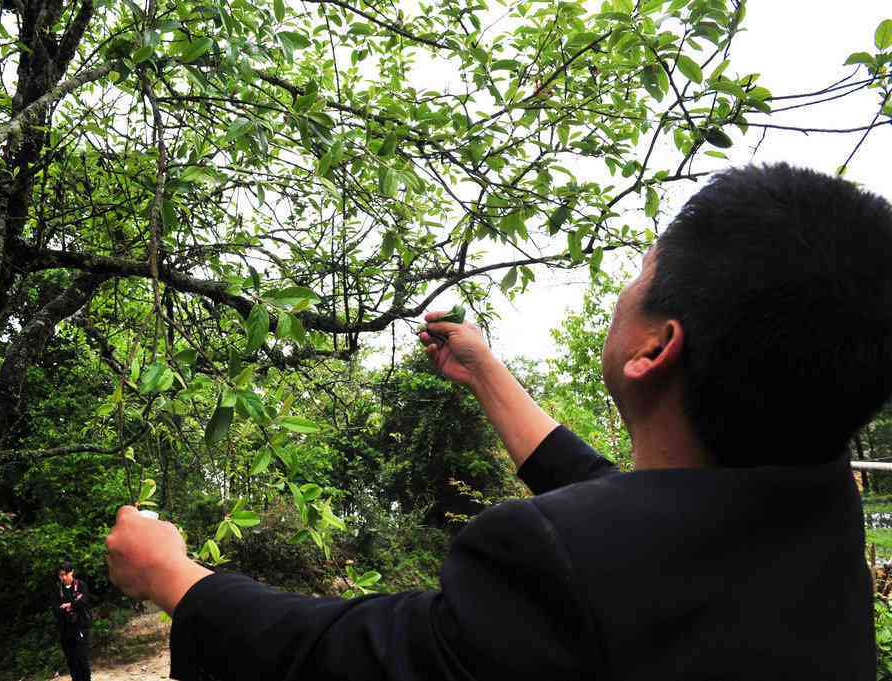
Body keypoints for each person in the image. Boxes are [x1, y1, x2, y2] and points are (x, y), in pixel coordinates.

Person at [105, 164, 892, 680]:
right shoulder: (816, 512)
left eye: (642, 270)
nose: (628, 287)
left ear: (656, 346)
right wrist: (485, 372)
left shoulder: (544, 566)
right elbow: (626, 513)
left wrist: (172, 575)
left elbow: (339, 658)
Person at [53, 560, 92, 681]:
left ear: (72, 572)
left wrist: (70, 605)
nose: (63, 577)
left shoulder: (80, 585)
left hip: (81, 627)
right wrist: (67, 608)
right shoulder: (57, 590)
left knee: (82, 658)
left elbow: (84, 601)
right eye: (60, 575)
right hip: (65, 629)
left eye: (65, 574)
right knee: (71, 660)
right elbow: (55, 609)